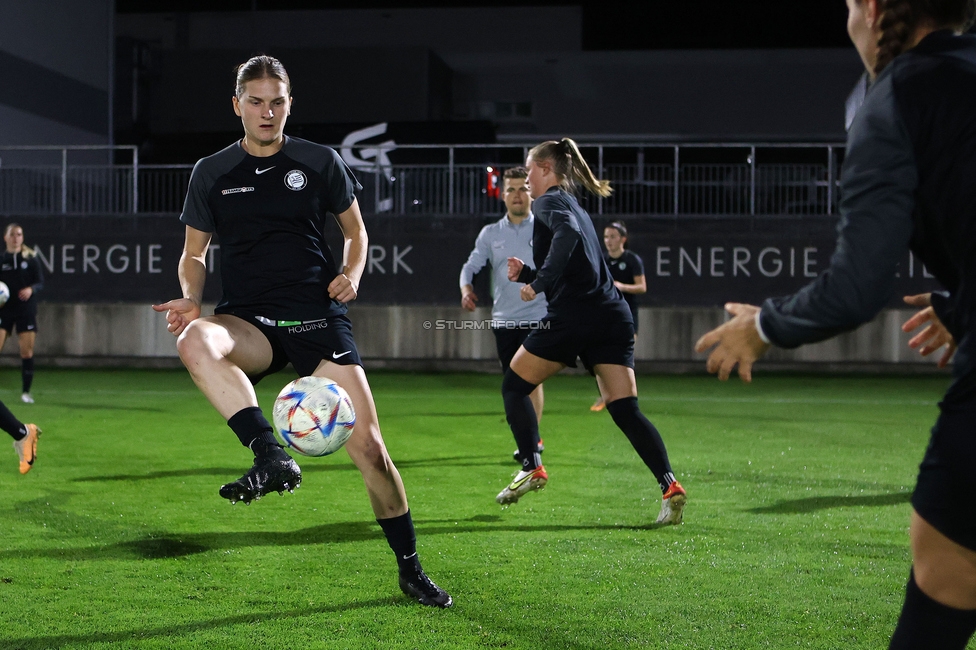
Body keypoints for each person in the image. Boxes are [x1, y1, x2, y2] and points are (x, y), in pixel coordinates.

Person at [694, 1, 976, 647]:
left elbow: (855, 288)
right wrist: (962, 306)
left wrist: (763, 327)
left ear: (873, 11)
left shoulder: (896, 94)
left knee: (948, 566)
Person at [151, 55, 452, 608]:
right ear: (237, 105)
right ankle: (270, 454)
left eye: (277, 101)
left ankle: (410, 568)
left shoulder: (318, 161)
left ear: (289, 104)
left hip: (317, 319)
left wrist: (351, 274)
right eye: (256, 101)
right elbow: (194, 252)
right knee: (193, 339)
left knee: (372, 452)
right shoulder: (211, 172)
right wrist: (192, 299)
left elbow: (356, 234)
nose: (267, 112)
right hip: (250, 321)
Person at [498, 137, 686, 526]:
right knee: (624, 408)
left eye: (529, 169)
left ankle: (532, 464)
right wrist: (531, 274)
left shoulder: (549, 202)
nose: (526, 177)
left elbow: (564, 239)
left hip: (574, 317)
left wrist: (538, 282)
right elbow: (580, 265)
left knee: (515, 386)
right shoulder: (576, 207)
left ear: (546, 169)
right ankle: (669, 485)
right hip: (611, 315)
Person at [459, 166, 548, 463]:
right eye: (511, 189)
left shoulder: (546, 228)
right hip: (504, 320)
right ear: (503, 195)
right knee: (514, 382)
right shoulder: (490, 233)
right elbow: (470, 267)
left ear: (531, 192)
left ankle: (532, 442)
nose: (517, 195)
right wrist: (466, 289)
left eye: (523, 188)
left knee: (529, 380)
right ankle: (528, 438)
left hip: (539, 317)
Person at [591, 221, 646, 412]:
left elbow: (642, 287)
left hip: (627, 316)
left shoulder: (632, 260)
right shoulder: (602, 261)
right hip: (605, 316)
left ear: (623, 239)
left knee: (624, 358)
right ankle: (606, 395)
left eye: (613, 236)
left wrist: (622, 286)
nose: (609, 241)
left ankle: (627, 397)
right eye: (606, 236)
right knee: (602, 357)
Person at [0, 223, 44, 404]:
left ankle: (26, 392)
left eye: (19, 234)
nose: (16, 238)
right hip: (4, 309)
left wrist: (31, 289)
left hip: (25, 309)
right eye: (12, 234)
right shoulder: (1, 259)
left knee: (26, 352)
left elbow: (40, 282)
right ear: (5, 238)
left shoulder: (31, 259)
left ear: (22, 237)